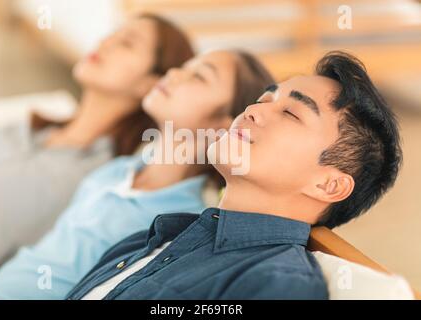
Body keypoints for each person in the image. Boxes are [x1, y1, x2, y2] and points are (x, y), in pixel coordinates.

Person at [65, 51, 402, 300]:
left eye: (289, 113)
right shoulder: (152, 236)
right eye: (263, 99)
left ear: (328, 184)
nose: (253, 111)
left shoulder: (276, 283)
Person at [0, 50, 274, 299]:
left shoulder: (175, 222)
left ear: (226, 125)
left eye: (198, 76)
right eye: (182, 67)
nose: (173, 74)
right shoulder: (115, 172)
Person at [0, 13, 194, 274]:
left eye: (127, 43)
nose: (105, 42)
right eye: (112, 35)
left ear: (152, 84)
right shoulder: (26, 128)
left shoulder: (95, 180)